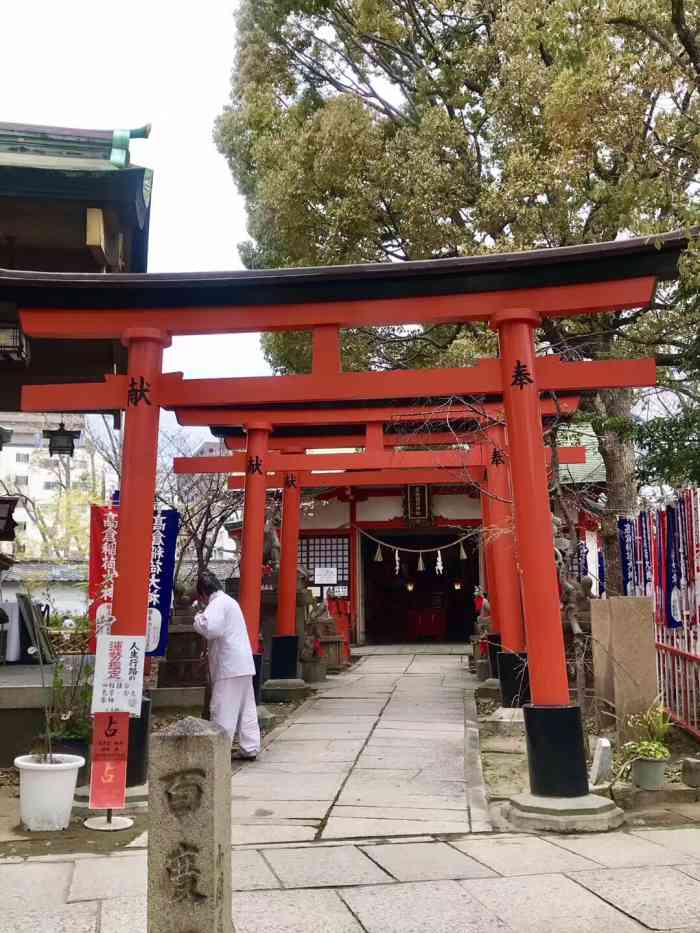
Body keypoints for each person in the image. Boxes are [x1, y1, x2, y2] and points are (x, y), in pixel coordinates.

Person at [193, 570, 260, 760]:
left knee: (223, 708)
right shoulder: (230, 602)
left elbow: (211, 628)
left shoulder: (217, 604)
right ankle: (250, 746)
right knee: (246, 708)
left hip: (229, 664)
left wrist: (197, 619)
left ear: (204, 593)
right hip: (243, 663)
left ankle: (219, 751)